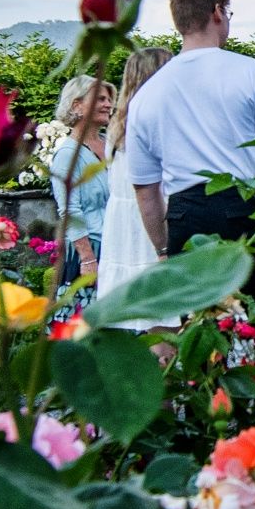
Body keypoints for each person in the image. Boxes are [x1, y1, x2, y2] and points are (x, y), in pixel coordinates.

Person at [124, 0, 255, 297]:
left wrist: (163, 248)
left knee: (202, 330)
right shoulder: (254, 73)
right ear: (218, 12)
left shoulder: (145, 95)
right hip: (249, 213)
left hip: (186, 218)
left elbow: (145, 190)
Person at [95, 47, 174, 327]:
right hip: (151, 215)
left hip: (122, 222)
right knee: (164, 311)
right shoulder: (156, 122)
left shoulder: (117, 128)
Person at [47, 74, 113, 287]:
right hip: (93, 249)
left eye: (109, 99)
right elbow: (69, 210)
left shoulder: (111, 145)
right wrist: (87, 258)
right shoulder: (68, 154)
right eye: (100, 99)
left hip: (118, 243)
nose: (108, 104)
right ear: (77, 105)